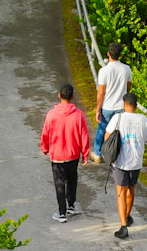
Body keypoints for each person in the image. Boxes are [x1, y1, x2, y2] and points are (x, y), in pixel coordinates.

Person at [40, 81, 90, 223]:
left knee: (59, 183)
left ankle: (62, 213)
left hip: (57, 155)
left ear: (59, 95)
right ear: (72, 96)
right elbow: (84, 135)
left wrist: (44, 148)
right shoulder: (79, 115)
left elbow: (45, 133)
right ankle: (71, 205)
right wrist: (85, 153)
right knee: (72, 179)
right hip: (73, 154)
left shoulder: (51, 114)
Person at [109, 92, 147, 239]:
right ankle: (127, 216)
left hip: (120, 161)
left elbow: (108, 136)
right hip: (136, 161)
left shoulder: (118, 117)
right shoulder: (143, 119)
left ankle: (123, 226)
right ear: (136, 105)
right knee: (131, 189)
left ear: (124, 104)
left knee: (121, 192)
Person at [92, 42, 132, 160]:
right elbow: (128, 88)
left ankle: (98, 154)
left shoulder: (104, 71)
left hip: (107, 106)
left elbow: (101, 93)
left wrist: (98, 109)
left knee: (101, 130)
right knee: (120, 131)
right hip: (121, 106)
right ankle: (117, 154)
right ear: (120, 54)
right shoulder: (127, 69)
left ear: (108, 53)